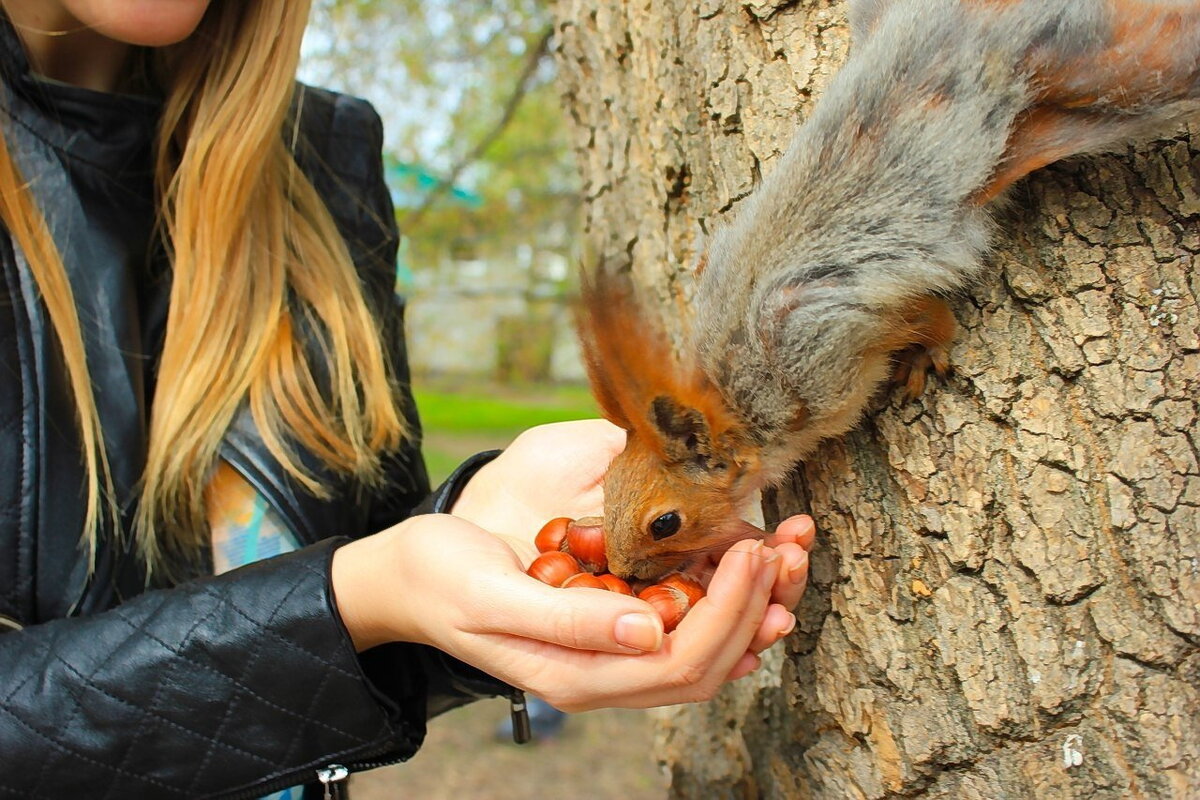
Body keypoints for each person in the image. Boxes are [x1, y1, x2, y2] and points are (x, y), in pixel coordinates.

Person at [0, 1, 816, 798]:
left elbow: (365, 627)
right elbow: (355, 591)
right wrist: (358, 595)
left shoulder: (324, 157)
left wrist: (461, 552)